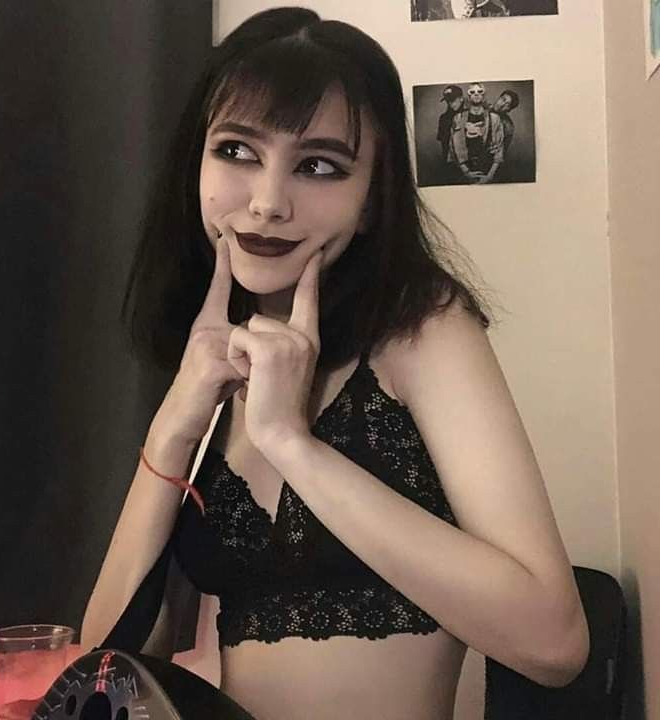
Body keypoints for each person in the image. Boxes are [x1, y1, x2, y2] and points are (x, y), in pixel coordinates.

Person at [81, 8, 589, 720]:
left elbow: (555, 642)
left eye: (319, 165)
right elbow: (105, 677)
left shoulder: (422, 327)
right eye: (236, 151)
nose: (267, 203)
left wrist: (292, 443)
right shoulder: (220, 357)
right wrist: (174, 425)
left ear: (372, 198)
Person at [448, 82, 505, 184]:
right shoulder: (458, 118)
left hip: (487, 170)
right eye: (472, 92)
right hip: (465, 172)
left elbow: (499, 149)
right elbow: (453, 148)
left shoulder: (494, 118)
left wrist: (490, 176)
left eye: (480, 91)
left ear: (484, 95)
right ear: (468, 96)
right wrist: (466, 172)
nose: (476, 94)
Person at [437, 85, 465, 183]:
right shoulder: (444, 118)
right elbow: (444, 145)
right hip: (450, 164)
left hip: (469, 163)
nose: (450, 104)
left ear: (461, 98)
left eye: (453, 100)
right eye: (448, 101)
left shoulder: (472, 113)